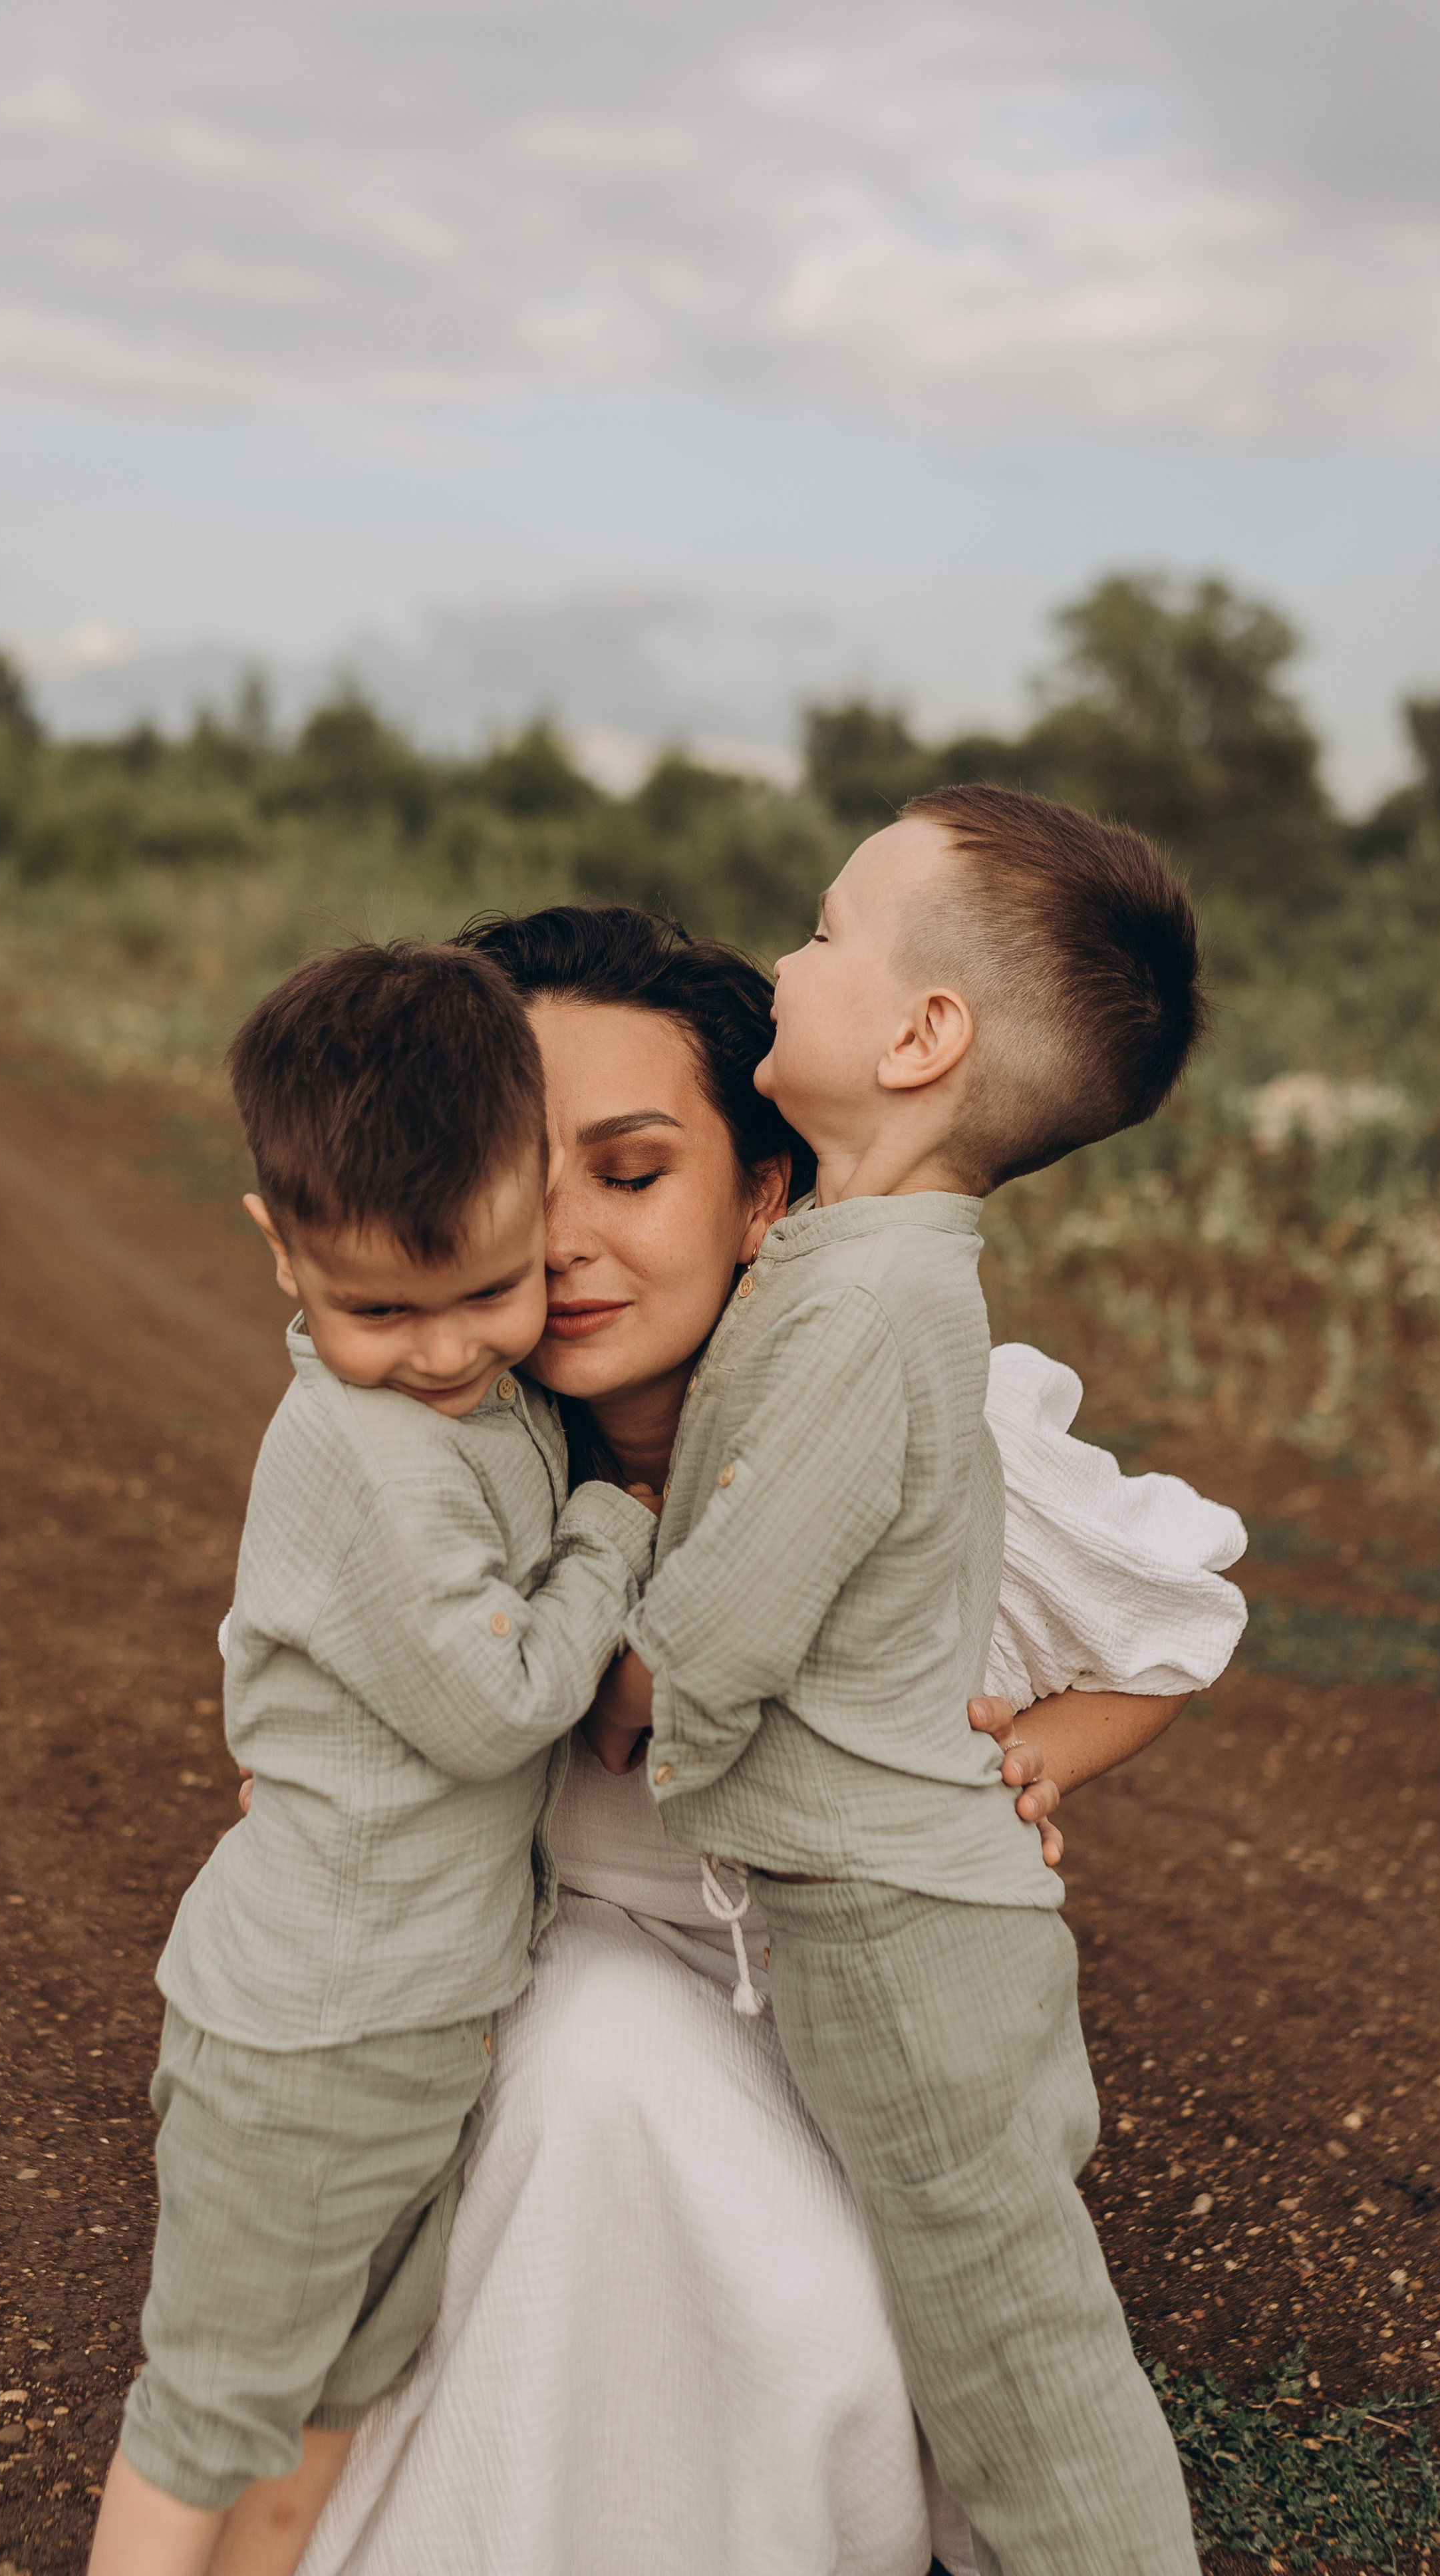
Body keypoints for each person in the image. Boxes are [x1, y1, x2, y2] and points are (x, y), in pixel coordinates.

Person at [299, 895, 1246, 2576]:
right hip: (562, 1994)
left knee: (877, 2331)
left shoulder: (877, 1419)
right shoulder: (446, 1461)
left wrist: (1032, 1751)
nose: (565, 1235)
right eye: (519, 1173)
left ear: (761, 1198)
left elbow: (1173, 1622)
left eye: (633, 1168)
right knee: (599, 2081)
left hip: (850, 2010)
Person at [592, 785, 1207, 2574]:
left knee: (1014, 2341)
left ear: (924, 1034)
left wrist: (627, 1695)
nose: (786, 954)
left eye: (824, 926)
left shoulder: (871, 1308)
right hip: (888, 1901)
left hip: (904, 1924)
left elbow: (744, 1591)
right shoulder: (847, 1265)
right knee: (954, 2302)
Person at [86, 944, 656, 2576]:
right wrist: (615, 1530)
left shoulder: (480, 1402)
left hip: (411, 2021)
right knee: (208, 2412)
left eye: (487, 1292)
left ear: (533, 1197)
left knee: (338, 2394)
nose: (440, 1351)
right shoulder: (373, 1456)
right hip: (305, 2042)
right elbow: (499, 1703)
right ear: (279, 1246)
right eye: (376, 1312)